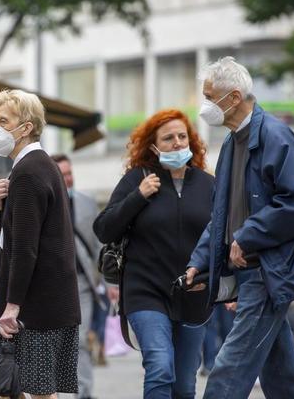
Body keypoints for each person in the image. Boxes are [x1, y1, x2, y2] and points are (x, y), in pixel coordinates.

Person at [185, 56, 294, 399]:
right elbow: (222, 215)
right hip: (254, 271)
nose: (205, 106)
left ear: (233, 97)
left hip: (267, 270)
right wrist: (199, 261)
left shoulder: (275, 136)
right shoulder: (232, 142)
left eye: (209, 97)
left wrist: (248, 236)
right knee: (281, 373)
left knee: (229, 368)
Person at [0, 89, 81, 399]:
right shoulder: (40, 165)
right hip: (47, 300)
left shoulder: (29, 172)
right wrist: (0, 209)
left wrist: (12, 305)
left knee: (34, 391)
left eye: (4, 121)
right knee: (15, 386)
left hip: (35, 305)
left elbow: (26, 247)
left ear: (26, 127)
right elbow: (26, 233)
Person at [93, 109, 213, 399]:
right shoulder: (138, 179)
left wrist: (221, 281)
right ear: (154, 146)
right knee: (160, 366)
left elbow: (222, 237)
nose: (177, 142)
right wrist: (138, 196)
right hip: (145, 291)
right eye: (168, 138)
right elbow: (103, 229)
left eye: (182, 136)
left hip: (194, 293)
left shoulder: (208, 184)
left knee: (184, 387)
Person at [52, 153, 103, 399]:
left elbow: (99, 245)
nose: (68, 179)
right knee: (54, 342)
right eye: (62, 175)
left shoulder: (87, 202)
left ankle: (83, 392)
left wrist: (108, 282)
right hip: (51, 285)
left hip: (81, 282)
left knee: (80, 338)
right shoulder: (42, 203)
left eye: (70, 173)